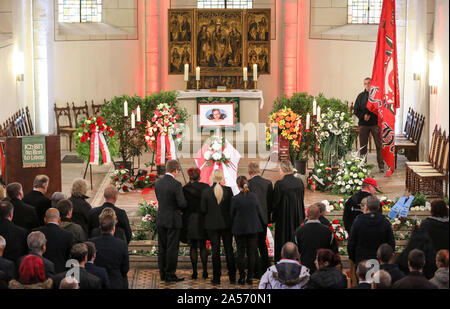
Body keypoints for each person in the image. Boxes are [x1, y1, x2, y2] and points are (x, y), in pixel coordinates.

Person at [201, 169, 236, 285]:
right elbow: (232, 208)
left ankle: (216, 278)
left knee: (215, 252)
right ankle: (232, 277)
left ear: (212, 178)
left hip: (212, 225)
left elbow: (203, 209)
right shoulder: (228, 190)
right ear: (222, 178)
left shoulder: (206, 192)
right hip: (226, 225)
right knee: (229, 250)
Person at [154, 160, 187, 282]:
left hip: (161, 218)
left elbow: (159, 198)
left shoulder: (158, 183)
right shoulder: (176, 184)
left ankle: (162, 273)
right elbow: (182, 203)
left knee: (162, 247)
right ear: (176, 170)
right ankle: (170, 274)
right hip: (173, 220)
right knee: (172, 248)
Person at [231, 176, 264, 285]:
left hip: (240, 229)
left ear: (238, 185)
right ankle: (250, 277)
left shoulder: (235, 198)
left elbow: (232, 214)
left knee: (240, 253)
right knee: (252, 253)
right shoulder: (254, 197)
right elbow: (258, 212)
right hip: (253, 228)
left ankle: (241, 277)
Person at [272, 160, 306, 262]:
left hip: (284, 219)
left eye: (279, 169)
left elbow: (275, 203)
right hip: (298, 217)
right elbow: (301, 198)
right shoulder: (299, 182)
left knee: (283, 241)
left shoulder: (280, 184)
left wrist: (273, 216)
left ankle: (281, 262)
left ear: (283, 169)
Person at [347, 196, 395, 266]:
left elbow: (351, 243)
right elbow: (391, 243)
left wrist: (355, 260)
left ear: (366, 207)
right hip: (380, 262)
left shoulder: (358, 222)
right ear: (378, 208)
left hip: (362, 262)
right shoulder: (385, 222)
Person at [182, 167, 210, 280]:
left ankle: (194, 272)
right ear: (199, 176)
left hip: (190, 220)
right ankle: (205, 271)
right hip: (203, 219)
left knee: (193, 247)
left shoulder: (185, 189)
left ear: (189, 177)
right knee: (203, 246)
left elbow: (183, 204)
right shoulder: (206, 187)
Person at [294, 204, 338, 274]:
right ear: (319, 215)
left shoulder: (299, 231)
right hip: (323, 268)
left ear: (307, 215)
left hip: (305, 268)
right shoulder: (327, 231)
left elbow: (295, 251)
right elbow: (334, 250)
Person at [353, 77, 384, 173]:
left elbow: (378, 108)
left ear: (372, 84)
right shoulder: (360, 96)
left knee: (379, 145)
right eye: (365, 83)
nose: (367, 85)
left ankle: (381, 166)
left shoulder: (376, 96)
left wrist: (370, 115)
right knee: (363, 146)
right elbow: (356, 110)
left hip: (375, 123)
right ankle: (363, 165)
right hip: (363, 124)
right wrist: (364, 116)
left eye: (369, 83)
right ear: (364, 85)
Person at [248, 162, 273, 277]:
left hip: (252, 219)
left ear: (249, 172)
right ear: (258, 170)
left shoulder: (248, 184)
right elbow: (270, 203)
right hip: (263, 218)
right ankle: (266, 268)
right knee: (262, 244)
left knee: (252, 245)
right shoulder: (268, 183)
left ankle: (256, 271)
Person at [91, 215, 129, 289]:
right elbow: (125, 268)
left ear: (100, 228)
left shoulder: (92, 243)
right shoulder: (121, 244)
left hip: (97, 281)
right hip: (115, 282)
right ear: (113, 228)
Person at [33, 208, 74, 273]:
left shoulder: (35, 232)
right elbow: (71, 258)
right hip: (59, 272)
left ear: (45, 219)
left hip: (38, 270)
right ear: (59, 219)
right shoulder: (68, 235)